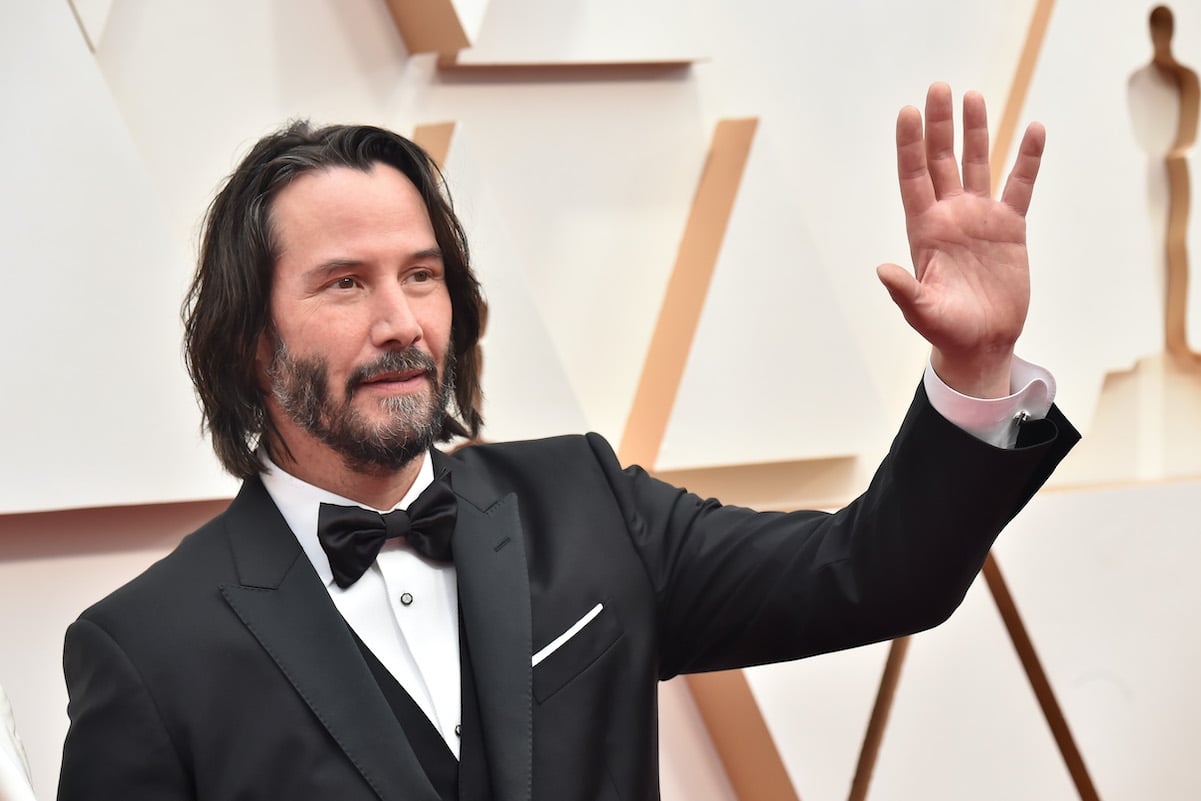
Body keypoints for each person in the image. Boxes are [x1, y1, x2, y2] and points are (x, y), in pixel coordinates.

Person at [57, 83, 1078, 800]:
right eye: (344, 282)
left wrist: (973, 370)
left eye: (422, 275)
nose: (402, 321)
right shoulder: (148, 653)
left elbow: (873, 574)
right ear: (247, 341)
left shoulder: (588, 505)